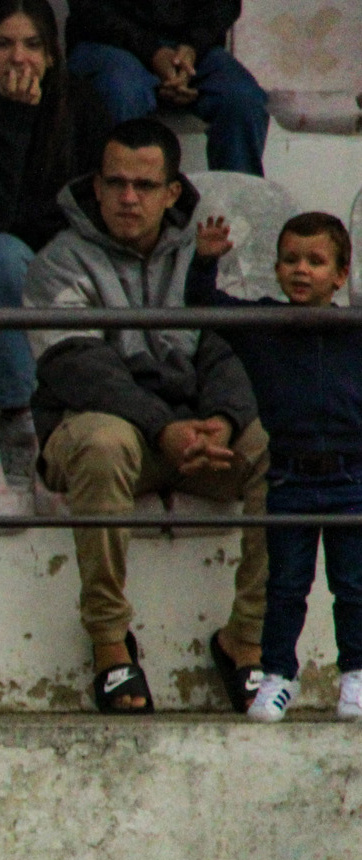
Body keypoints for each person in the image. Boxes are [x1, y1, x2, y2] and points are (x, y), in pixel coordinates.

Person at [26, 117, 268, 714]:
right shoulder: (58, 261)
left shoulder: (203, 257)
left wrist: (225, 423)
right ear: (97, 186)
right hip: (100, 436)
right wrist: (167, 426)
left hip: (189, 438)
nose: (127, 198)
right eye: (115, 183)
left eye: (143, 185)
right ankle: (111, 646)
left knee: (279, 448)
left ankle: (247, 641)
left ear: (172, 193)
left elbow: (226, 348)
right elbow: (80, 369)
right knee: (106, 441)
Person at [0, 0, 113, 485]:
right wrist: (13, 123)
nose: (19, 58)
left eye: (33, 45)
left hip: (52, 247)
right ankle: (18, 418)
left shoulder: (82, 104)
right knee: (6, 256)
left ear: (52, 54)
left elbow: (85, 206)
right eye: (4, 44)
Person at [189, 213, 362, 723]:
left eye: (316, 261)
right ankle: (277, 677)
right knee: (285, 585)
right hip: (289, 478)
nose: (301, 271)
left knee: (353, 585)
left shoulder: (356, 328)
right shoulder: (263, 324)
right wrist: (205, 261)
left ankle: (354, 675)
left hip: (353, 477)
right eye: (290, 260)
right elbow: (204, 307)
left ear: (341, 273)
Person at [66, 0, 266, 177]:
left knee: (243, 98)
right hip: (108, 41)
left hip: (190, 48)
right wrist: (152, 52)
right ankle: (113, 207)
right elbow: (89, 8)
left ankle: (236, 212)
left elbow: (224, 5)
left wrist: (191, 49)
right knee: (121, 91)